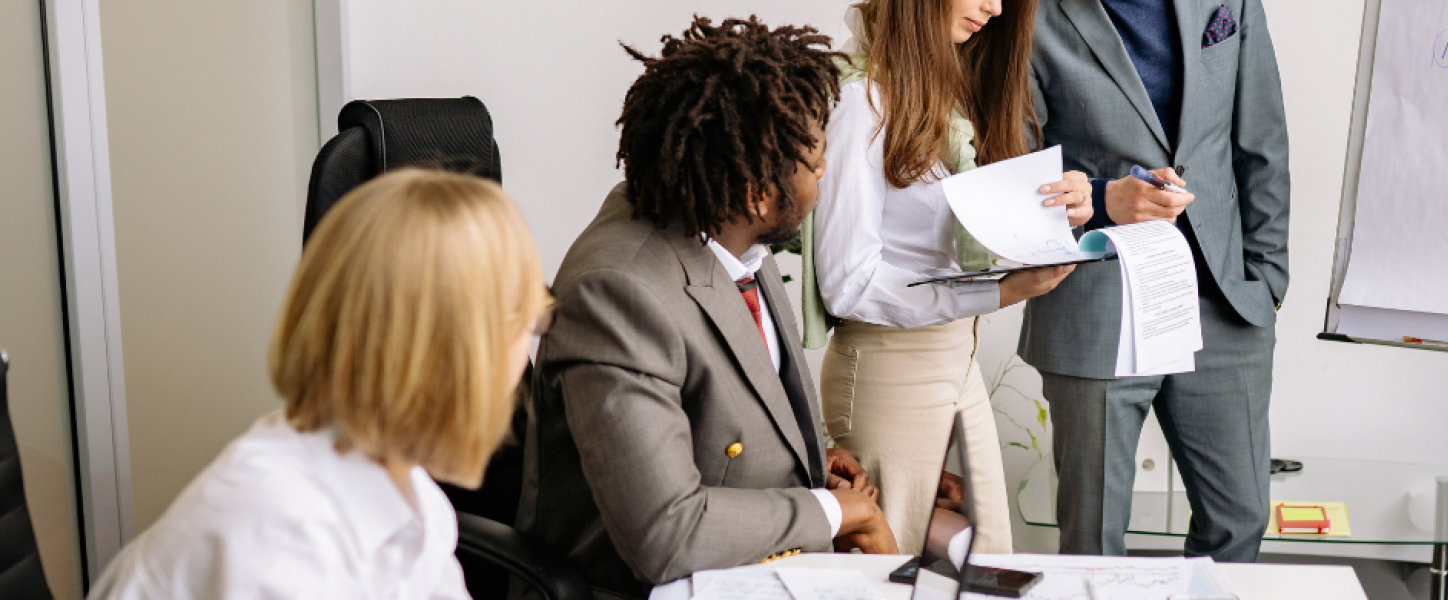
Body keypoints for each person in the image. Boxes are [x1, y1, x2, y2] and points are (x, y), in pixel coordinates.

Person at [515, 17, 896, 597]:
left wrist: (811, 467)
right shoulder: (618, 292)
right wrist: (835, 514)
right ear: (756, 192)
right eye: (817, 166)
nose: (827, 176)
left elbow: (730, 401)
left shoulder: (730, 226)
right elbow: (664, 533)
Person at [87, 169, 550, 598]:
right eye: (526, 324)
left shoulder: (412, 496)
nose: (523, 357)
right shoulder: (280, 535)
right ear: (455, 350)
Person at [806, 0, 1096, 556]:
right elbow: (847, 283)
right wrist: (1000, 291)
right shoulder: (860, 101)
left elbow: (947, 239)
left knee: (989, 560)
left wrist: (1059, 207)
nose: (996, 7)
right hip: (889, 368)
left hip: (953, 360)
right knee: (890, 578)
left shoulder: (947, 93)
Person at [1021, 0, 1292, 562]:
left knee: (1240, 520)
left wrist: (1267, 279)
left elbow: (1262, 142)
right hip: (1097, 302)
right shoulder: (1030, 14)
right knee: (1094, 541)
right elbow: (1010, 164)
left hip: (1222, 300)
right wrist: (1102, 198)